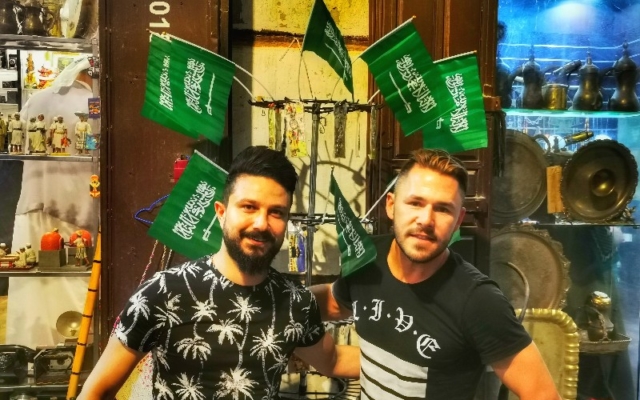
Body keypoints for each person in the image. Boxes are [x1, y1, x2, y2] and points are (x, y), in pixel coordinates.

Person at [78, 146, 360, 400]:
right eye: (249, 207)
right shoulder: (164, 292)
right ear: (221, 212)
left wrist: (392, 341)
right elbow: (97, 391)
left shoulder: (296, 303)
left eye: (276, 212)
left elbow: (333, 360)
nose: (261, 223)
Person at [311, 148, 560, 400]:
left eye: (443, 209)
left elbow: (543, 395)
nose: (426, 220)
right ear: (391, 205)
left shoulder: (479, 301)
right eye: (415, 203)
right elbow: (333, 304)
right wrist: (288, 300)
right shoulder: (367, 260)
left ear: (458, 220)